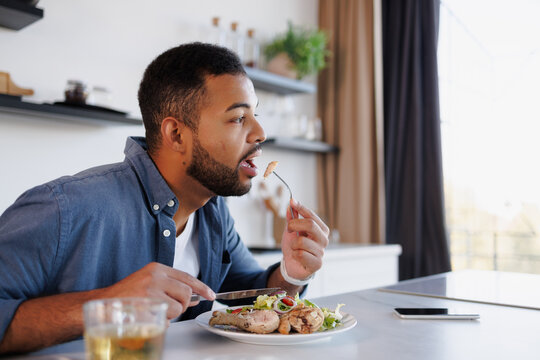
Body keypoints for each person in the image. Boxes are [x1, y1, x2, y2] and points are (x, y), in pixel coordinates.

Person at [0, 42, 329, 354]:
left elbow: (249, 294)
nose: (260, 133)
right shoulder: (64, 209)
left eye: (254, 114)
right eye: (239, 117)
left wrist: (292, 274)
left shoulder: (214, 211)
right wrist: (110, 305)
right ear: (176, 135)